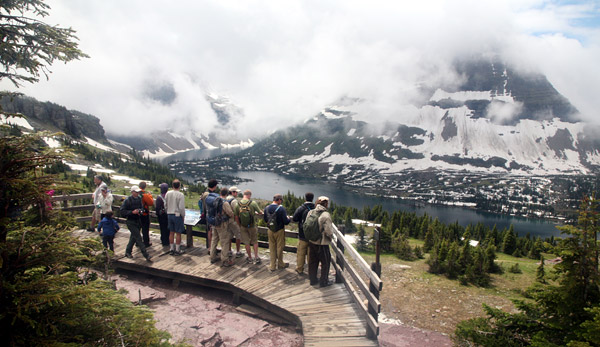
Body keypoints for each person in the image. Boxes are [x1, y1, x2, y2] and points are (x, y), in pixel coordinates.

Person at [307, 196, 334, 287]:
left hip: (311, 241)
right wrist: (331, 238)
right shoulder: (326, 215)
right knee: (325, 263)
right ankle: (323, 282)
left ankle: (312, 280)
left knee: (312, 262)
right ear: (326, 204)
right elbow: (328, 231)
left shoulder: (311, 212)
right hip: (321, 243)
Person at [119, 185, 152, 261]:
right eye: (136, 192)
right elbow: (122, 211)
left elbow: (142, 208)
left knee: (133, 237)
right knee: (138, 237)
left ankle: (128, 252)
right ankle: (146, 255)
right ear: (132, 192)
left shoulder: (139, 199)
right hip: (130, 221)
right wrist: (132, 212)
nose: (138, 193)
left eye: (138, 192)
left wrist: (140, 211)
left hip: (138, 220)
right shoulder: (127, 200)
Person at [234, 189, 263, 264]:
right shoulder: (252, 203)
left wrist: (239, 225)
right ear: (249, 195)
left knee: (246, 243)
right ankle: (256, 257)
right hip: (252, 225)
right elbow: (260, 212)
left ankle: (249, 258)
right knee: (255, 241)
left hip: (243, 226)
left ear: (244, 195)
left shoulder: (238, 204)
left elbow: (236, 217)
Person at [263, 194, 290, 271]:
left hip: (270, 230)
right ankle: (280, 263)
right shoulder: (281, 209)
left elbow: (265, 220)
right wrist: (288, 218)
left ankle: (272, 265)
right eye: (281, 201)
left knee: (272, 247)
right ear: (279, 200)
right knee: (279, 247)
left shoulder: (267, 208)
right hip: (279, 230)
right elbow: (286, 222)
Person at [210, 188, 235, 267]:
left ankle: (212, 256)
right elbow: (230, 213)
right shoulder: (225, 203)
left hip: (215, 223)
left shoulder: (215, 200)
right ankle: (225, 260)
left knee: (214, 240)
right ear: (227, 194)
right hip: (222, 224)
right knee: (224, 242)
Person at [292, 192, 315, 275]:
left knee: (301, 253)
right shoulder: (315, 208)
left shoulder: (301, 208)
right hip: (312, 236)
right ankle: (311, 270)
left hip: (302, 235)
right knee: (311, 254)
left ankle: (300, 269)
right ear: (312, 199)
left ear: (305, 198)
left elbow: (294, 219)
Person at [165, 179, 186, 255]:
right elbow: (181, 207)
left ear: (172, 185)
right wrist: (183, 215)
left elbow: (165, 204)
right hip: (177, 215)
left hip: (169, 213)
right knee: (178, 233)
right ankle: (177, 249)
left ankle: (171, 248)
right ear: (179, 186)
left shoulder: (168, 193)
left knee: (171, 232)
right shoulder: (180, 195)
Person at [200, 179, 219, 252]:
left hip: (207, 214)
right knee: (210, 231)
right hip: (209, 215)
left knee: (210, 231)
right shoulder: (208, 194)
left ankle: (212, 247)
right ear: (214, 186)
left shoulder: (205, 193)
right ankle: (210, 248)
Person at [226, 186, 243, 258]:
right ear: (232, 192)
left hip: (227, 220)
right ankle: (238, 251)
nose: (237, 193)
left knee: (229, 236)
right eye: (236, 192)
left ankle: (229, 250)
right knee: (238, 235)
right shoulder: (234, 201)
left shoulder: (226, 199)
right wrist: (238, 222)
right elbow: (237, 212)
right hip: (233, 221)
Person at [138, 181, 154, 247]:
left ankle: (137, 242)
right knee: (145, 228)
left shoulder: (136, 193)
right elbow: (151, 203)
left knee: (138, 228)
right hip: (144, 214)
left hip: (137, 213)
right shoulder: (144, 195)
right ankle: (146, 242)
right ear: (145, 187)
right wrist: (150, 195)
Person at [155, 182, 169, 247]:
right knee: (167, 228)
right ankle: (167, 240)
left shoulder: (159, 198)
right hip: (168, 214)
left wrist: (158, 214)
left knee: (162, 228)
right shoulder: (168, 196)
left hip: (161, 216)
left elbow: (157, 208)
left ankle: (164, 241)